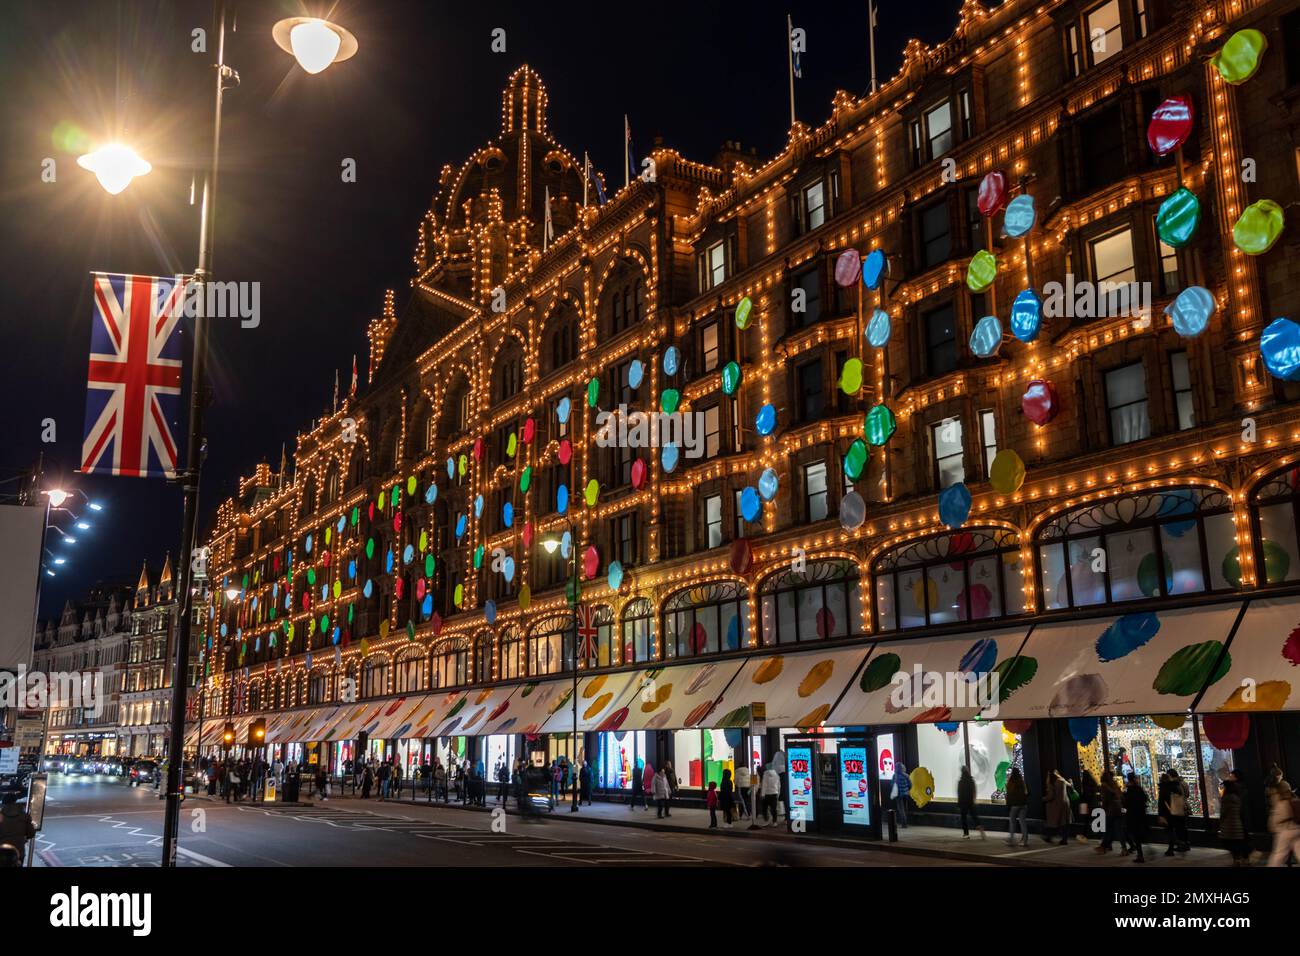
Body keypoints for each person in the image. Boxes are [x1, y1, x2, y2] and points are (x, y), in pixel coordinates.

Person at [1266, 780, 1300, 867]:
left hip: (1285, 830)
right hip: (1297, 829)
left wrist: (1273, 827)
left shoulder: (1280, 801)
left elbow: (1276, 819)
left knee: (1278, 855)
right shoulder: (1294, 798)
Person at [1157, 768, 1190, 855]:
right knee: (1180, 828)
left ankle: (1178, 844)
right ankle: (1183, 843)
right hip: (1179, 809)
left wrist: (1161, 814)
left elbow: (1161, 802)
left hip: (1170, 812)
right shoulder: (1178, 785)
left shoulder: (1165, 788)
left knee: (1171, 830)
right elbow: (1186, 794)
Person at [1219, 778, 1249, 865]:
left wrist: (1221, 821)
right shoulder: (1237, 797)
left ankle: (1236, 860)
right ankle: (1239, 859)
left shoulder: (1226, 798)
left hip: (1228, 825)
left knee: (1229, 843)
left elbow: (1223, 812)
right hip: (1237, 824)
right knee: (1236, 843)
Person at [0, 793, 35, 861]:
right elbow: (31, 833)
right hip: (18, 851)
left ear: (3, 803)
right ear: (15, 801)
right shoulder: (24, 815)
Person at [1096, 770, 1123, 854]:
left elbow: (1105, 799)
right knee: (1116, 828)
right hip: (1118, 808)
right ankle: (1109, 845)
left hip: (1110, 809)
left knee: (1108, 828)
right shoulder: (1114, 784)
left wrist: (1104, 808)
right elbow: (1120, 794)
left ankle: (1104, 846)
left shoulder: (1104, 786)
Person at [1124, 774, 1149, 863]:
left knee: (1133, 835)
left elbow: (1126, 804)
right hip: (1140, 815)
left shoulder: (1129, 791)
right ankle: (1139, 854)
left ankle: (1139, 854)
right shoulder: (1139, 789)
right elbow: (1145, 799)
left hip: (1132, 815)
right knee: (1137, 835)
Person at [1044, 770, 1071, 846]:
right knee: (1064, 823)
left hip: (1055, 805)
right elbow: (1070, 785)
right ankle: (1064, 839)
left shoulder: (1051, 783)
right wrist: (1070, 781)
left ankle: (1049, 837)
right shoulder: (1062, 780)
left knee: (1053, 822)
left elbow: (1051, 796)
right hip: (1065, 804)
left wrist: (1043, 799)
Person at [957, 766, 984, 839]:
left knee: (964, 818)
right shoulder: (971, 780)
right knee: (974, 816)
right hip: (970, 801)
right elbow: (974, 791)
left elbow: (959, 793)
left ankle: (966, 834)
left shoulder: (961, 781)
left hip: (963, 802)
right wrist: (974, 799)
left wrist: (959, 804)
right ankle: (979, 826)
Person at [1005, 766, 1029, 846]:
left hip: (1015, 805)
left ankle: (1011, 840)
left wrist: (1008, 805)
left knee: (1012, 822)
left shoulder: (1011, 782)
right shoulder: (1022, 781)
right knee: (1023, 823)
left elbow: (1008, 795)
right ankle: (1025, 841)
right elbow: (1026, 793)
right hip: (1023, 805)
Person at [1078, 770, 1100, 843]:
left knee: (1087, 820)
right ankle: (1098, 835)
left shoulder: (1085, 784)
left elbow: (1086, 795)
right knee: (1095, 819)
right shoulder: (1093, 782)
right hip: (1094, 803)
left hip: (1088, 804)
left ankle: (1085, 835)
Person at [893, 762, 911, 828]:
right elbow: (910, 785)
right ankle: (906, 822)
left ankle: (904, 824)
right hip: (906, 794)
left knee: (901, 809)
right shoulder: (907, 776)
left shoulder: (895, 776)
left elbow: (892, 784)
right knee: (905, 809)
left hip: (899, 795)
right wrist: (907, 790)